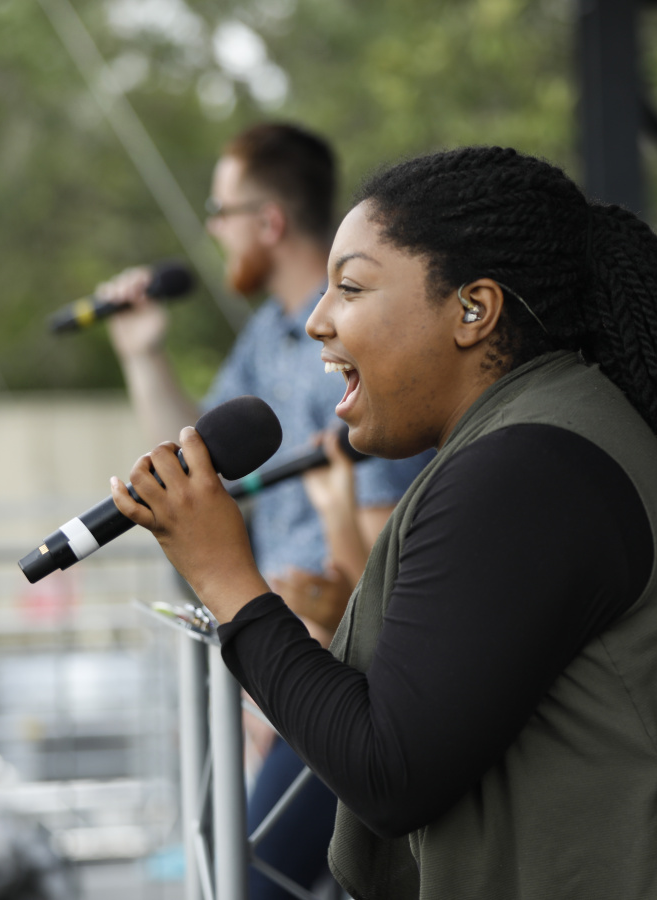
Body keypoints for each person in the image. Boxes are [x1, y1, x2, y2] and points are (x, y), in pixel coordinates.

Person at [108, 146, 657, 899]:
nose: (317, 319)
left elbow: (390, 771)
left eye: (352, 287)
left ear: (474, 310)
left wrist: (226, 578)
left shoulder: (524, 470)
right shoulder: (542, 438)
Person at [97, 122, 429, 898]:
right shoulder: (270, 335)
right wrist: (143, 352)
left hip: (343, 674)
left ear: (270, 221)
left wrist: (294, 647)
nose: (214, 230)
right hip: (285, 662)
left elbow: (387, 551)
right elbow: (192, 463)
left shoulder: (359, 343)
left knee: (255, 880)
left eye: (221, 211)